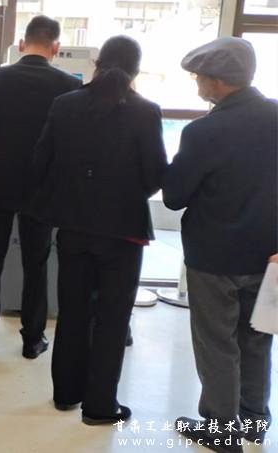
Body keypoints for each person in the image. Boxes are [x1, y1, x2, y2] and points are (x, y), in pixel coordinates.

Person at [33, 36, 167, 425]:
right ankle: (99, 406)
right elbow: (155, 174)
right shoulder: (146, 111)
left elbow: (42, 162)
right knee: (112, 318)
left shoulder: (65, 104)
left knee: (72, 312)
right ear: (136, 70)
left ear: (97, 63)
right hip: (124, 231)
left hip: (73, 225)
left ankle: (65, 393)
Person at [164, 37, 277, 452]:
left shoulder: (203, 132)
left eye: (199, 78)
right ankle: (254, 421)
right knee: (258, 338)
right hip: (269, 255)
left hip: (214, 257)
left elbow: (174, 196)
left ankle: (221, 430)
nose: (197, 84)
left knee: (217, 343)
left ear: (217, 82)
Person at [0, 15, 81, 359]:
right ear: (55, 47)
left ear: (21, 44)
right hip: (42, 186)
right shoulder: (69, 84)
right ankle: (32, 338)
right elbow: (69, 141)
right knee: (37, 262)